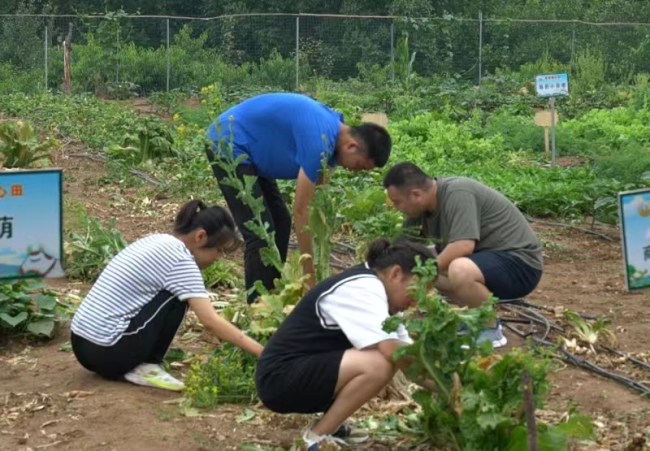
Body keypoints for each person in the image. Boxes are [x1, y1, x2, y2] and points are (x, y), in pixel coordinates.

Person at [205, 92, 392, 303]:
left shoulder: (334, 133)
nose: (353, 172)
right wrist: (309, 278)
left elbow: (318, 198)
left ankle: (271, 294)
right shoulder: (319, 142)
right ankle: (256, 306)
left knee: (280, 222)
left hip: (252, 154)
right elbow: (301, 210)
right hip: (228, 143)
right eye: (358, 166)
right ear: (352, 147)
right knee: (260, 232)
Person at [255, 237, 436, 450]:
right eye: (416, 291)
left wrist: (449, 387)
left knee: (388, 354)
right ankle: (316, 438)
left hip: (300, 374)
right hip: (279, 379)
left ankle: (331, 425)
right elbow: (395, 353)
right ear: (395, 274)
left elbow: (411, 357)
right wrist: (449, 386)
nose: (417, 302)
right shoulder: (363, 288)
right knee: (380, 363)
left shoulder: (380, 294)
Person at [70, 200, 264, 391]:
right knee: (178, 297)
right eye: (219, 250)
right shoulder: (181, 260)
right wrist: (263, 352)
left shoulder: (156, 240)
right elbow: (210, 321)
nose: (218, 258)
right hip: (108, 352)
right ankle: (147, 364)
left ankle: (137, 359)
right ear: (200, 236)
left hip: (81, 344)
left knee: (175, 292)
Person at [383, 162, 544, 348]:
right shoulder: (420, 211)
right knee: (429, 266)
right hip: (487, 263)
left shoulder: (457, 193)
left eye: (397, 202)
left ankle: (490, 329)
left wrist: (422, 276)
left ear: (416, 195)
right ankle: (475, 319)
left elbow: (463, 246)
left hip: (521, 265)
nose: (396, 207)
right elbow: (402, 250)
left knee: (456, 269)